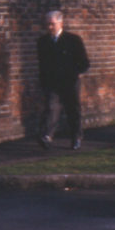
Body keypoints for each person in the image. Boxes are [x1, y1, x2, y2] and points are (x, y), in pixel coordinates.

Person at [36, 10, 90, 150]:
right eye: (47, 24)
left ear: (61, 23)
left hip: (70, 81)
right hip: (52, 82)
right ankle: (47, 135)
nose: (49, 28)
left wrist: (77, 73)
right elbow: (42, 64)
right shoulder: (42, 42)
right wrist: (43, 81)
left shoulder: (73, 40)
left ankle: (76, 137)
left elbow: (84, 62)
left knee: (73, 109)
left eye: (52, 24)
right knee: (51, 107)